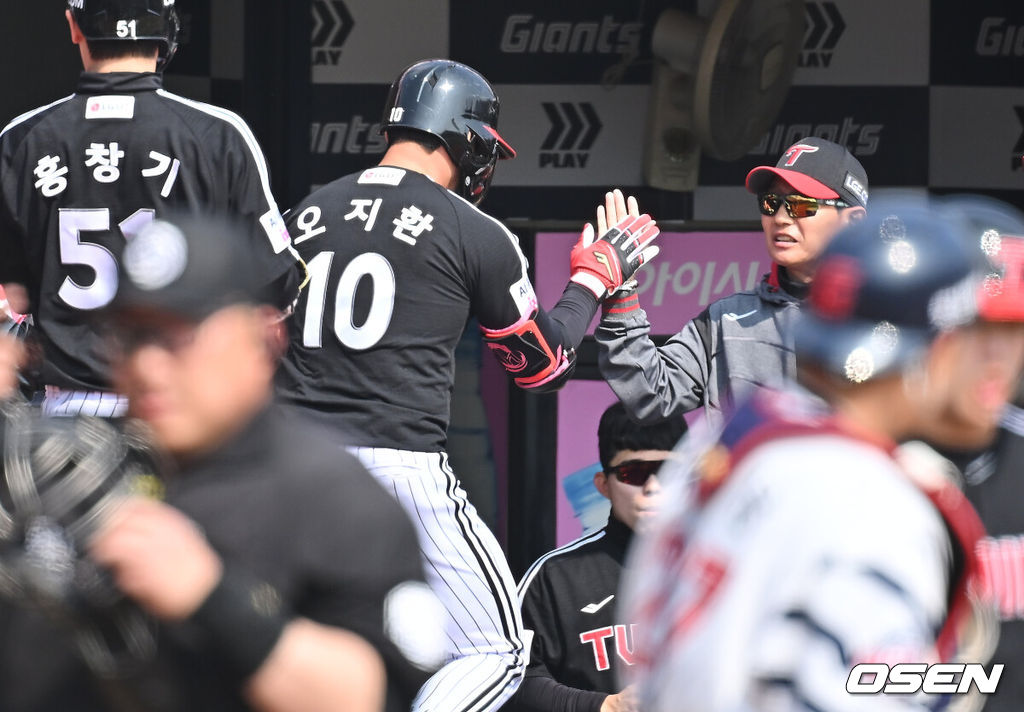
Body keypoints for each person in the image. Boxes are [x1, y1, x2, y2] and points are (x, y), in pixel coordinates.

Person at [275, 58, 660, 712]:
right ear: (463, 137)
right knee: (497, 651)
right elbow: (541, 367)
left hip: (293, 463)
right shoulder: (473, 230)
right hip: (399, 465)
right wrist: (592, 281)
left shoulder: (305, 214)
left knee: (298, 638)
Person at [0, 213, 446, 712]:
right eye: (130, 337)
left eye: (179, 335)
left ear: (264, 340)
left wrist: (212, 596)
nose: (148, 366)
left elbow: (369, 698)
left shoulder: (335, 498)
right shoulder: (60, 470)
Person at [619, 195, 1024, 712]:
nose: (995, 358)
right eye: (981, 335)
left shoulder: (728, 441)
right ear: (942, 351)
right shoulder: (863, 494)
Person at [0, 0, 301, 417]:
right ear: (168, 30)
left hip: (68, 412)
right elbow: (278, 283)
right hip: (180, 405)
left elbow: (13, 293)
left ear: (73, 25)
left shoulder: (23, 139)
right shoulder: (217, 135)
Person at [597, 137, 868, 426]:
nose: (779, 217)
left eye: (801, 205)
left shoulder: (886, 321)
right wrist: (621, 295)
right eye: (771, 202)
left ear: (853, 221)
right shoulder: (726, 320)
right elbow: (651, 393)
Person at [510, 401, 686, 712]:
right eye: (634, 474)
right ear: (603, 485)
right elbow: (512, 679)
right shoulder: (553, 578)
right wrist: (603, 706)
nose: (654, 487)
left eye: (669, 471)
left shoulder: (725, 564)